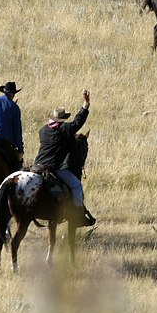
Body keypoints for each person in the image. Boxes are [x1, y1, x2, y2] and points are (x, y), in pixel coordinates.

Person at [33, 89, 96, 227]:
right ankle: (77, 215)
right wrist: (86, 104)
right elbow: (78, 122)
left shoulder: (43, 130)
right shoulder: (64, 130)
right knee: (76, 186)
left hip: (36, 166)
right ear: (63, 120)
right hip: (54, 168)